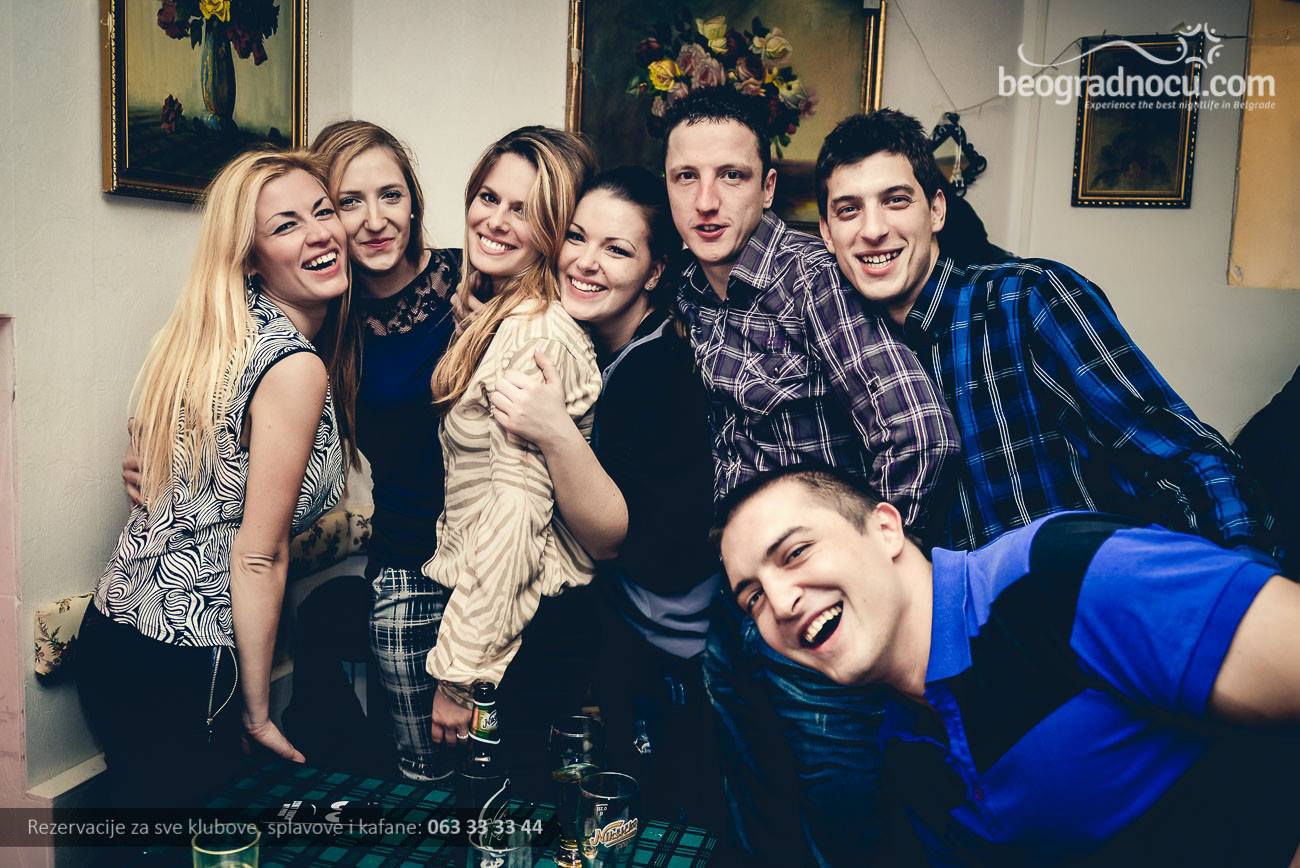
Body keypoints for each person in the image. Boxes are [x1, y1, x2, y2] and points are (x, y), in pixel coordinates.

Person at [716, 464, 1300, 866]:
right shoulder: (904, 747)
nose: (782, 603)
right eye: (753, 598)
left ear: (886, 529)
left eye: (796, 552)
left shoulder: (1060, 576)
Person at [662, 85, 960, 863]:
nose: (706, 200)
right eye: (686, 177)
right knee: (753, 810)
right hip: (742, 599)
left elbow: (918, 433)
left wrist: (868, 579)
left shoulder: (809, 277)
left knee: (843, 827)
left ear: (767, 187)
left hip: (820, 606)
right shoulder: (690, 287)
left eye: (731, 176)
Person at [815, 109, 1275, 557]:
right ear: (827, 233)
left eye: (896, 200)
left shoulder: (1028, 300)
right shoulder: (838, 355)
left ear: (936, 210)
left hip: (1084, 596)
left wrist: (1247, 576)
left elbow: (1183, 458)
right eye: (849, 210)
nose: (873, 229)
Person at [80, 149, 355, 807]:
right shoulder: (293, 366)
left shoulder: (208, 334)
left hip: (113, 633)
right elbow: (259, 555)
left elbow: (176, 468)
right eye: (286, 225)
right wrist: (256, 714)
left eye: (323, 211)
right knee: (197, 846)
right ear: (251, 258)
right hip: (186, 657)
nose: (320, 233)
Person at [487, 166, 724, 828]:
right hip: (633, 642)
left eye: (617, 249)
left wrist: (552, 428)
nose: (586, 262)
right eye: (577, 237)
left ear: (654, 271)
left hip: (683, 655)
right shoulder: (597, 347)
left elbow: (613, 540)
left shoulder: (659, 369)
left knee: (670, 829)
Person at [421, 126, 601, 796]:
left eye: (523, 210)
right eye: (488, 197)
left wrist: (459, 678)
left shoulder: (533, 334)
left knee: (500, 826)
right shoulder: (509, 316)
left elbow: (517, 513)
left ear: (555, 229)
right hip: (516, 619)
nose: (495, 220)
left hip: (522, 631)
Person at [285, 120, 464, 779]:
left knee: (513, 773)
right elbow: (227, 371)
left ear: (414, 201)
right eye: (348, 202)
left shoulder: (474, 280)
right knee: (425, 774)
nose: (374, 220)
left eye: (390, 195)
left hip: (505, 563)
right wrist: (163, 447)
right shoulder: (326, 316)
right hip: (408, 569)